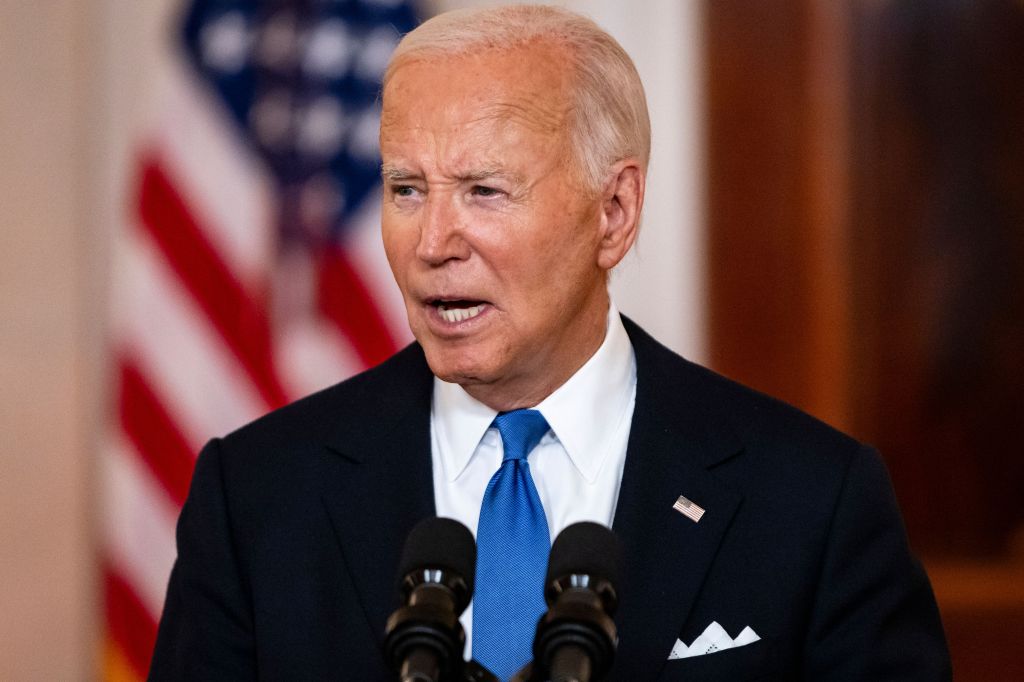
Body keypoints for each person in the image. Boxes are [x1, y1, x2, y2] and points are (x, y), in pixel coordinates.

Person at [149, 5, 951, 681]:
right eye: (406, 189)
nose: (433, 241)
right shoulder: (256, 498)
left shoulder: (812, 501)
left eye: (484, 191)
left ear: (614, 211)